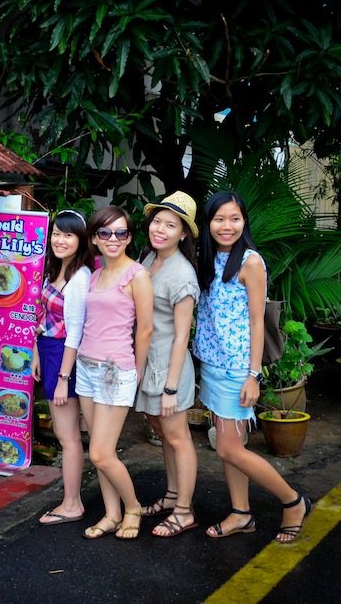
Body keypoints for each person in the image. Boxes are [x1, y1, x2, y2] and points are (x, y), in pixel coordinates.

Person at [194, 190, 313, 543]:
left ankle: (293, 502)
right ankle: (241, 513)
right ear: (208, 223)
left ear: (244, 221)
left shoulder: (250, 261)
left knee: (228, 447)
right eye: (219, 219)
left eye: (234, 218)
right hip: (212, 364)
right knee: (234, 446)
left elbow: (258, 322)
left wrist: (254, 375)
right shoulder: (206, 257)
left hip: (237, 369)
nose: (226, 226)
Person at [76, 206, 153, 540]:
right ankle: (111, 514)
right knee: (99, 450)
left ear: (130, 238)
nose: (113, 239)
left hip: (115, 371)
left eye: (121, 233)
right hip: (86, 368)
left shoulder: (137, 275)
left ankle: (133, 507)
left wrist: (134, 375)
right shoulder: (95, 275)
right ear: (94, 238)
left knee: (100, 453)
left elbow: (146, 330)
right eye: (105, 232)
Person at [134, 191, 201, 538]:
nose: (160, 229)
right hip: (150, 365)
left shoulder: (183, 275)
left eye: (170, 224)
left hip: (169, 369)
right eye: (157, 221)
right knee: (163, 434)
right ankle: (173, 495)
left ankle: (185, 511)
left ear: (183, 233)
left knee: (178, 437)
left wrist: (171, 387)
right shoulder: (149, 259)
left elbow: (181, 337)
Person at [31, 209, 94, 526]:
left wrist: (62, 379)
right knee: (64, 433)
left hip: (66, 358)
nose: (59, 239)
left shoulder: (79, 277)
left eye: (68, 234)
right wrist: (36, 351)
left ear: (81, 240)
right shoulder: (54, 270)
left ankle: (72, 503)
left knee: (69, 436)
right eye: (56, 233)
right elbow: (44, 319)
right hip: (50, 353)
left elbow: (76, 332)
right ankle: (74, 500)